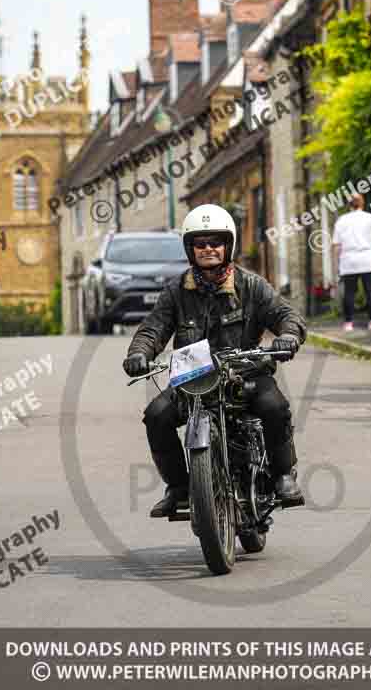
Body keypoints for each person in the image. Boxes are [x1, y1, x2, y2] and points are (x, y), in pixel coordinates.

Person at [123, 204, 307, 518]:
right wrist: (139, 353)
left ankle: (282, 476)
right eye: (200, 243)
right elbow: (153, 329)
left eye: (215, 242)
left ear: (228, 245)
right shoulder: (175, 292)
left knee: (274, 407)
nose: (208, 249)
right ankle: (179, 488)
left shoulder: (251, 285)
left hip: (246, 374)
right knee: (156, 414)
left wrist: (288, 336)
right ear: (189, 249)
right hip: (193, 379)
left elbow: (287, 316)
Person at [331, 194, 371, 332]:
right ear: (362, 203)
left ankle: (348, 323)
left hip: (349, 260)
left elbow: (336, 245)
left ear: (349, 205)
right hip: (368, 259)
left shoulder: (341, 220)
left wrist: (336, 265)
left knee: (349, 293)